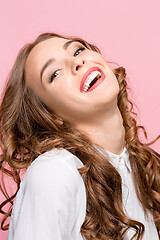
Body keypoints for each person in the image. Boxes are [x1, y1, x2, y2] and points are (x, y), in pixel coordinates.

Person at [0, 32, 160, 240]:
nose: (77, 62)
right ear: (50, 116)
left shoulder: (136, 163)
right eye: (55, 74)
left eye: (78, 50)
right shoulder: (53, 172)